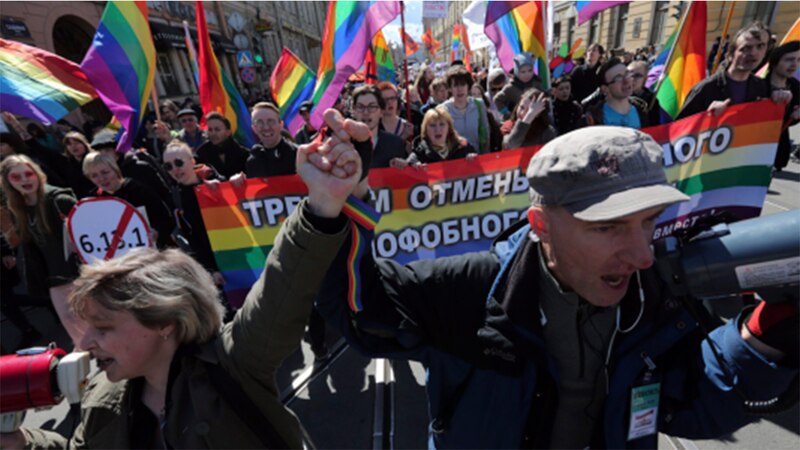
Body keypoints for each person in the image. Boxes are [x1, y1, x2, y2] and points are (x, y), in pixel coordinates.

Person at [316, 125, 798, 449]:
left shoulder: (654, 294)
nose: (643, 254)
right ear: (541, 225)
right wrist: (337, 206)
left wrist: (765, 333)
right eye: (607, 227)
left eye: (649, 221)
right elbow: (362, 311)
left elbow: (688, 400)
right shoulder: (470, 294)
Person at [0, 110, 367, 447]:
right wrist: (25, 443)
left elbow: (283, 284)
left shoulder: (232, 364)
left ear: (163, 320)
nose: (87, 341)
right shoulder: (101, 397)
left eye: (104, 326)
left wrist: (320, 205)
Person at [0, 155, 86, 347]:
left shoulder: (58, 199)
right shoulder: (18, 209)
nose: (24, 180)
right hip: (55, 278)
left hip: (80, 274)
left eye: (28, 174)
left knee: (96, 321)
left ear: (37, 174)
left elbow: (89, 229)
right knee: (75, 330)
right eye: (16, 177)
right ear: (8, 182)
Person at [678, 22, 791, 119]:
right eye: (746, 48)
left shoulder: (764, 88)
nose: (753, 53)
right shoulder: (706, 88)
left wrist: (784, 102)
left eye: (760, 46)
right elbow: (677, 131)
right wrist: (707, 116)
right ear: (731, 54)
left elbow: (776, 127)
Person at [83, 152, 174, 249]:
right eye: (94, 176)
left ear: (115, 170)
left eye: (105, 172)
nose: (101, 178)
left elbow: (167, 220)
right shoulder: (94, 201)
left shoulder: (138, 190)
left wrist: (157, 233)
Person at [393, 107, 477, 168]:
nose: (438, 130)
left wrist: (475, 161)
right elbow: (407, 167)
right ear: (425, 130)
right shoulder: (419, 154)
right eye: (432, 125)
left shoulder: (464, 148)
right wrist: (404, 164)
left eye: (442, 124)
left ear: (449, 127)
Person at [350, 84, 407, 169]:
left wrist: (403, 165)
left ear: (381, 112)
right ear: (353, 111)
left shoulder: (396, 144)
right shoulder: (344, 143)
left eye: (372, 107)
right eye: (360, 107)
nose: (366, 112)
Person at [585, 57, 649, 129]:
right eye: (618, 78)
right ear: (605, 89)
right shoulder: (592, 118)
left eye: (627, 74)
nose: (626, 80)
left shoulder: (642, 112)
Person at [766, 41, 800, 172]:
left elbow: (792, 117)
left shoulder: (795, 86)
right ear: (775, 61)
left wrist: (797, 115)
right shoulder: (758, 84)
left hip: (778, 150)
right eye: (789, 59)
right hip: (752, 145)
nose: (794, 64)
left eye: (798, 60)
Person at [441, 65, 492, 153]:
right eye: (456, 86)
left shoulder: (479, 104)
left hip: (477, 158)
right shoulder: (443, 109)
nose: (460, 89)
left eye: (463, 85)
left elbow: (485, 132)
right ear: (450, 88)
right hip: (454, 161)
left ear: (468, 86)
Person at [245, 102, 297, 178]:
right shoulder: (252, 161)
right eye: (260, 122)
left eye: (271, 121)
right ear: (254, 129)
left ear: (281, 125)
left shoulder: (297, 154)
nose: (266, 127)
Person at [195, 112, 249, 179]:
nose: (213, 133)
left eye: (217, 129)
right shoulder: (202, 153)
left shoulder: (243, 153)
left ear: (228, 132)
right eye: (210, 129)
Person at [493, 52, 544, 119]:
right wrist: (507, 113)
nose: (527, 74)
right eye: (523, 72)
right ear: (516, 71)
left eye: (530, 70)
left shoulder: (536, 83)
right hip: (518, 120)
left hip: (536, 119)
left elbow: (543, 95)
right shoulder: (510, 87)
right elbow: (497, 99)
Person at [61, 131, 97, 198]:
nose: (73, 146)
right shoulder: (68, 164)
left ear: (84, 144)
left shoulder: (94, 158)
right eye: (69, 144)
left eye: (76, 143)